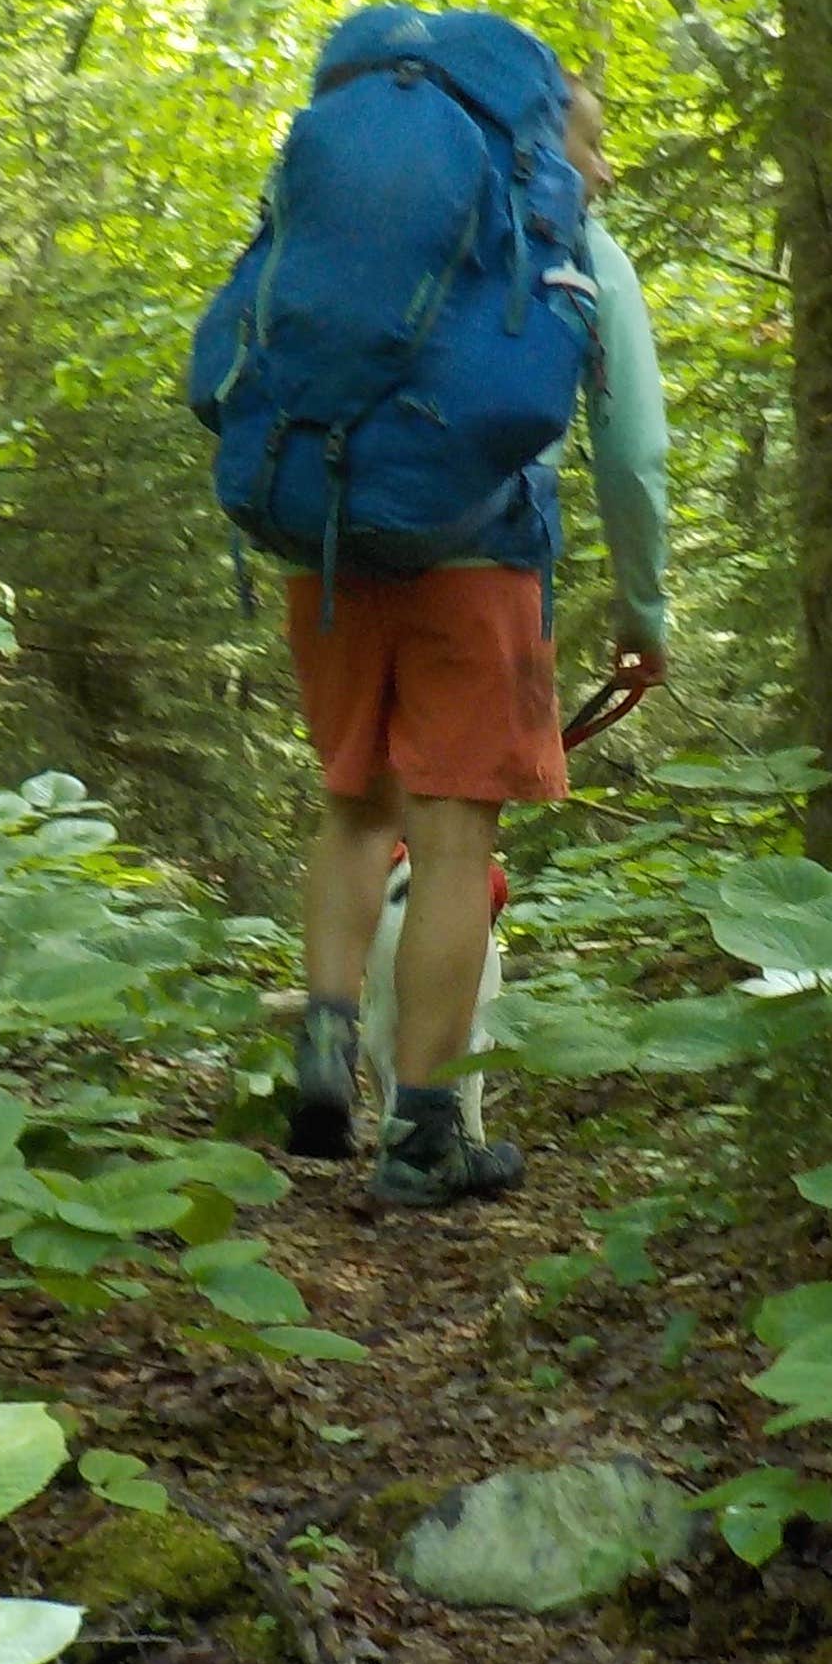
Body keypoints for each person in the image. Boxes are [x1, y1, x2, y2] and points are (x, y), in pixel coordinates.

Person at [287, 70, 669, 1206]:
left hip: (329, 545)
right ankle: (422, 1139)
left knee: (355, 805)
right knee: (455, 846)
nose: (603, 168)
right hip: (481, 561)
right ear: (540, 146)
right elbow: (634, 451)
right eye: (594, 143)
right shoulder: (570, 240)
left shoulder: (358, 224)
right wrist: (643, 614)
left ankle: (321, 1051)